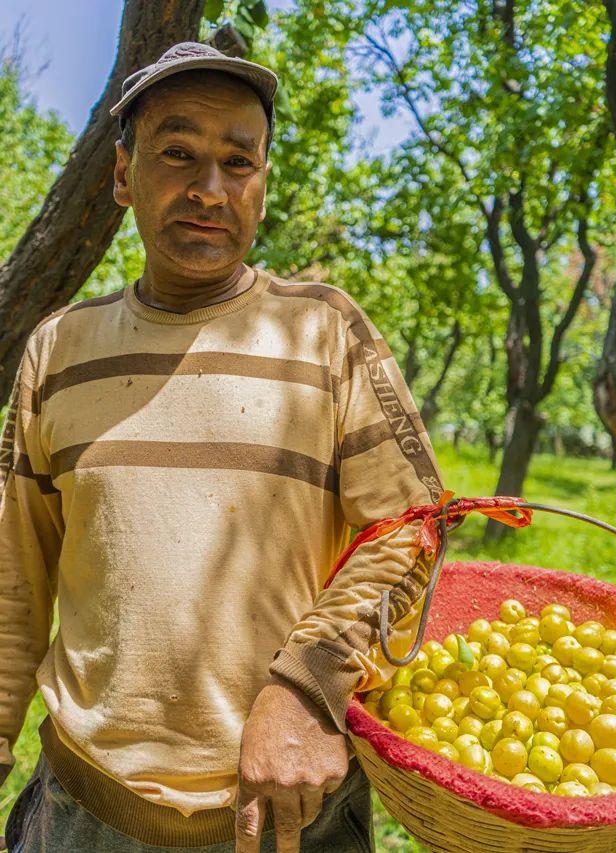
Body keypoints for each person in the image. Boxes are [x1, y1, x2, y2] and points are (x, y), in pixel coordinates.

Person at [0, 41, 444, 852]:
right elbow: (14, 579)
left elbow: (413, 529)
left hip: (287, 815)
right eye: (178, 152)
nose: (210, 188)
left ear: (264, 185)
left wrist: (308, 688)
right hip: (83, 811)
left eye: (238, 161)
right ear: (123, 176)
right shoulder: (57, 350)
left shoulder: (326, 330)